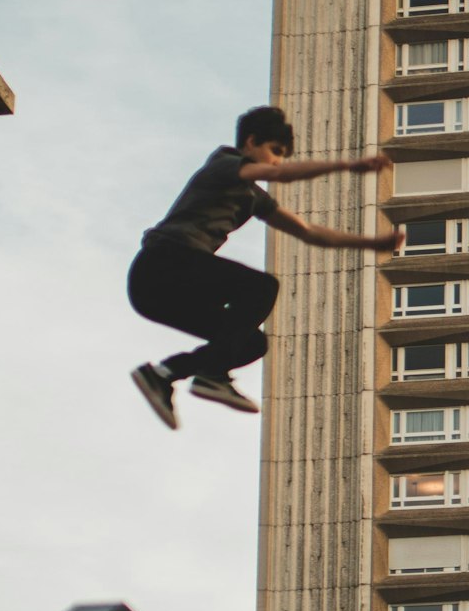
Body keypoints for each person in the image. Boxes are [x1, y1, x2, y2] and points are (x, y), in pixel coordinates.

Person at [129, 107, 400, 428]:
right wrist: (346, 164)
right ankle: (212, 374)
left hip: (167, 293)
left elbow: (308, 232)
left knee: (250, 342)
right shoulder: (224, 164)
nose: (276, 162)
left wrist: (370, 244)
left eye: (282, 155)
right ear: (251, 141)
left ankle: (164, 374)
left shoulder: (253, 197)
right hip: (161, 265)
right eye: (274, 151)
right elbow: (277, 175)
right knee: (261, 287)